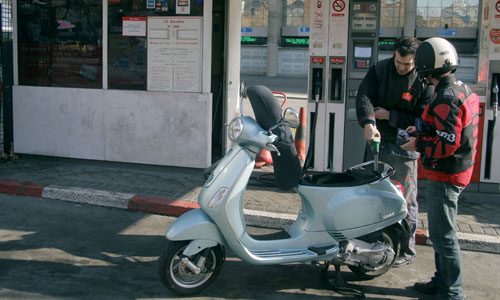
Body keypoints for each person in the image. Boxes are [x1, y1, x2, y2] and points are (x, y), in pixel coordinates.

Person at [401, 37, 480, 300]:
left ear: (425, 67)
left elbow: (447, 143)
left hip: (446, 175)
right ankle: (442, 281)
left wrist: (418, 143)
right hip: (456, 171)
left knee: (444, 236)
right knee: (439, 232)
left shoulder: (446, 96)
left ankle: (452, 292)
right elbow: (449, 129)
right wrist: (422, 129)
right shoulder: (461, 89)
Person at [355, 36, 434, 267]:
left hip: (405, 149)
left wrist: (390, 116)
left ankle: (406, 250)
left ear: (415, 62)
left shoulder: (424, 79)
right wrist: (369, 122)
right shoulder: (380, 69)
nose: (401, 67)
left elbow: (423, 118)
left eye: (407, 64)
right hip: (379, 143)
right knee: (374, 196)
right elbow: (364, 95)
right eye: (398, 61)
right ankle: (375, 242)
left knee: (405, 200)